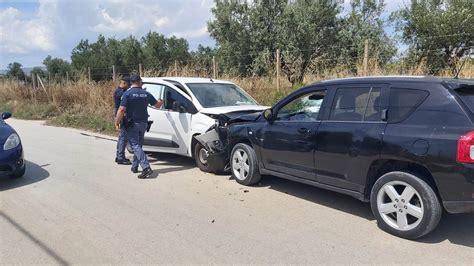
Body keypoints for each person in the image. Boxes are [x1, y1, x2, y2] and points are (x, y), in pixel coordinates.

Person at [115, 74, 163, 179]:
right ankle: (135, 166)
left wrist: (117, 122)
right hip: (143, 123)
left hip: (132, 124)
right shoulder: (146, 93)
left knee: (135, 145)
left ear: (131, 82)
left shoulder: (127, 94)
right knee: (139, 146)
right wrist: (161, 101)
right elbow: (158, 105)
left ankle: (146, 168)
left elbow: (122, 109)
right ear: (140, 81)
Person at [114, 76, 131, 165]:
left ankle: (119, 156)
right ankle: (120, 157)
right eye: (128, 85)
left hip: (121, 116)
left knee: (122, 137)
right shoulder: (120, 92)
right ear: (124, 83)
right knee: (123, 138)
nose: (129, 87)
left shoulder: (122, 91)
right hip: (121, 117)